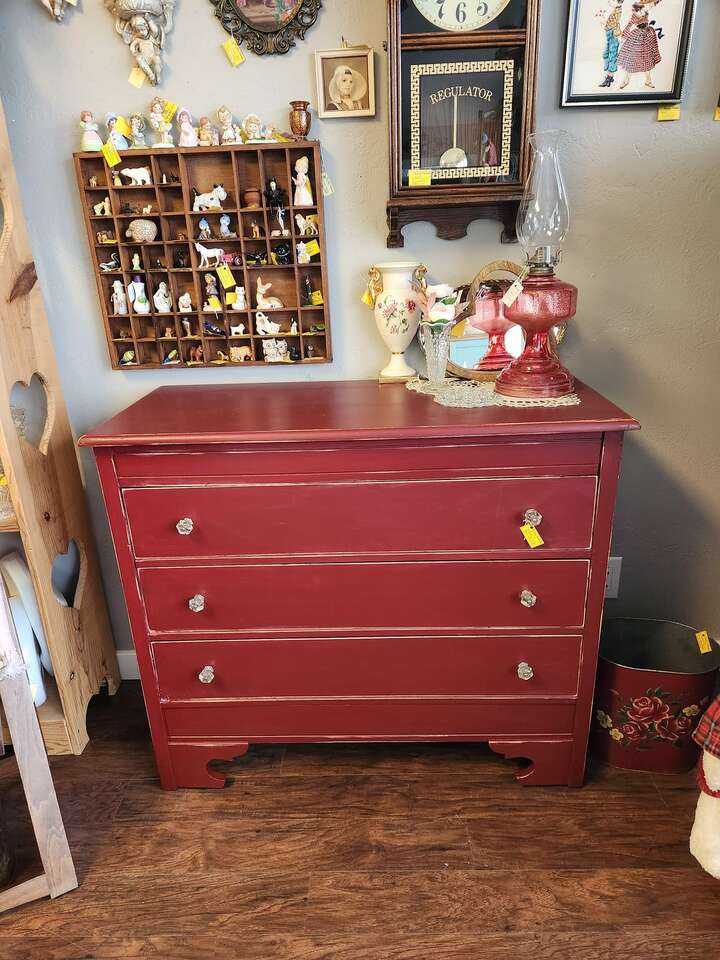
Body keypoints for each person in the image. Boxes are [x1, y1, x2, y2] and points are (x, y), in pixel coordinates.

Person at [618, 0, 662, 90]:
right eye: (640, 11)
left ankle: (648, 81)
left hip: (646, 37)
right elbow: (628, 27)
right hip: (636, 38)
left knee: (647, 59)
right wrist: (623, 37)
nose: (642, 13)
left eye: (643, 11)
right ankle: (626, 80)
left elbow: (651, 5)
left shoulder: (644, 12)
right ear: (635, 11)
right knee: (632, 59)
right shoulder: (634, 17)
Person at [599, 1, 624, 88]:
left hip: (614, 35)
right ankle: (609, 74)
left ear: (619, 2)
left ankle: (609, 77)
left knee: (612, 56)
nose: (609, 1)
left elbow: (614, 24)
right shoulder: (614, 10)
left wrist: (605, 25)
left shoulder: (618, 11)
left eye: (612, 0)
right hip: (610, 34)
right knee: (606, 55)